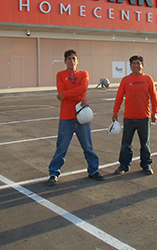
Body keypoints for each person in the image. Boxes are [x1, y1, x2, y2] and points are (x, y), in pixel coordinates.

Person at [46, 49, 104, 186]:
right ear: (65, 61)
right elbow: (63, 91)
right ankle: (54, 173)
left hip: (81, 116)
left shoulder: (84, 74)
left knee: (88, 146)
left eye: (74, 58)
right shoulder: (60, 75)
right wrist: (75, 94)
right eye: (69, 59)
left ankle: (93, 170)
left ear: (77, 60)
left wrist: (66, 95)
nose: (72, 61)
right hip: (66, 117)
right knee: (61, 147)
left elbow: (82, 88)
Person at [112, 55, 157, 175]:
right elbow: (119, 97)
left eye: (138, 63)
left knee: (145, 143)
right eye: (133, 63)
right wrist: (115, 112)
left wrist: (155, 112)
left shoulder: (148, 79)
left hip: (144, 117)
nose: (136, 66)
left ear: (142, 65)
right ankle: (124, 165)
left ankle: (146, 165)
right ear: (130, 66)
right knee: (126, 143)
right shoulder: (126, 80)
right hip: (129, 117)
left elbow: (154, 97)